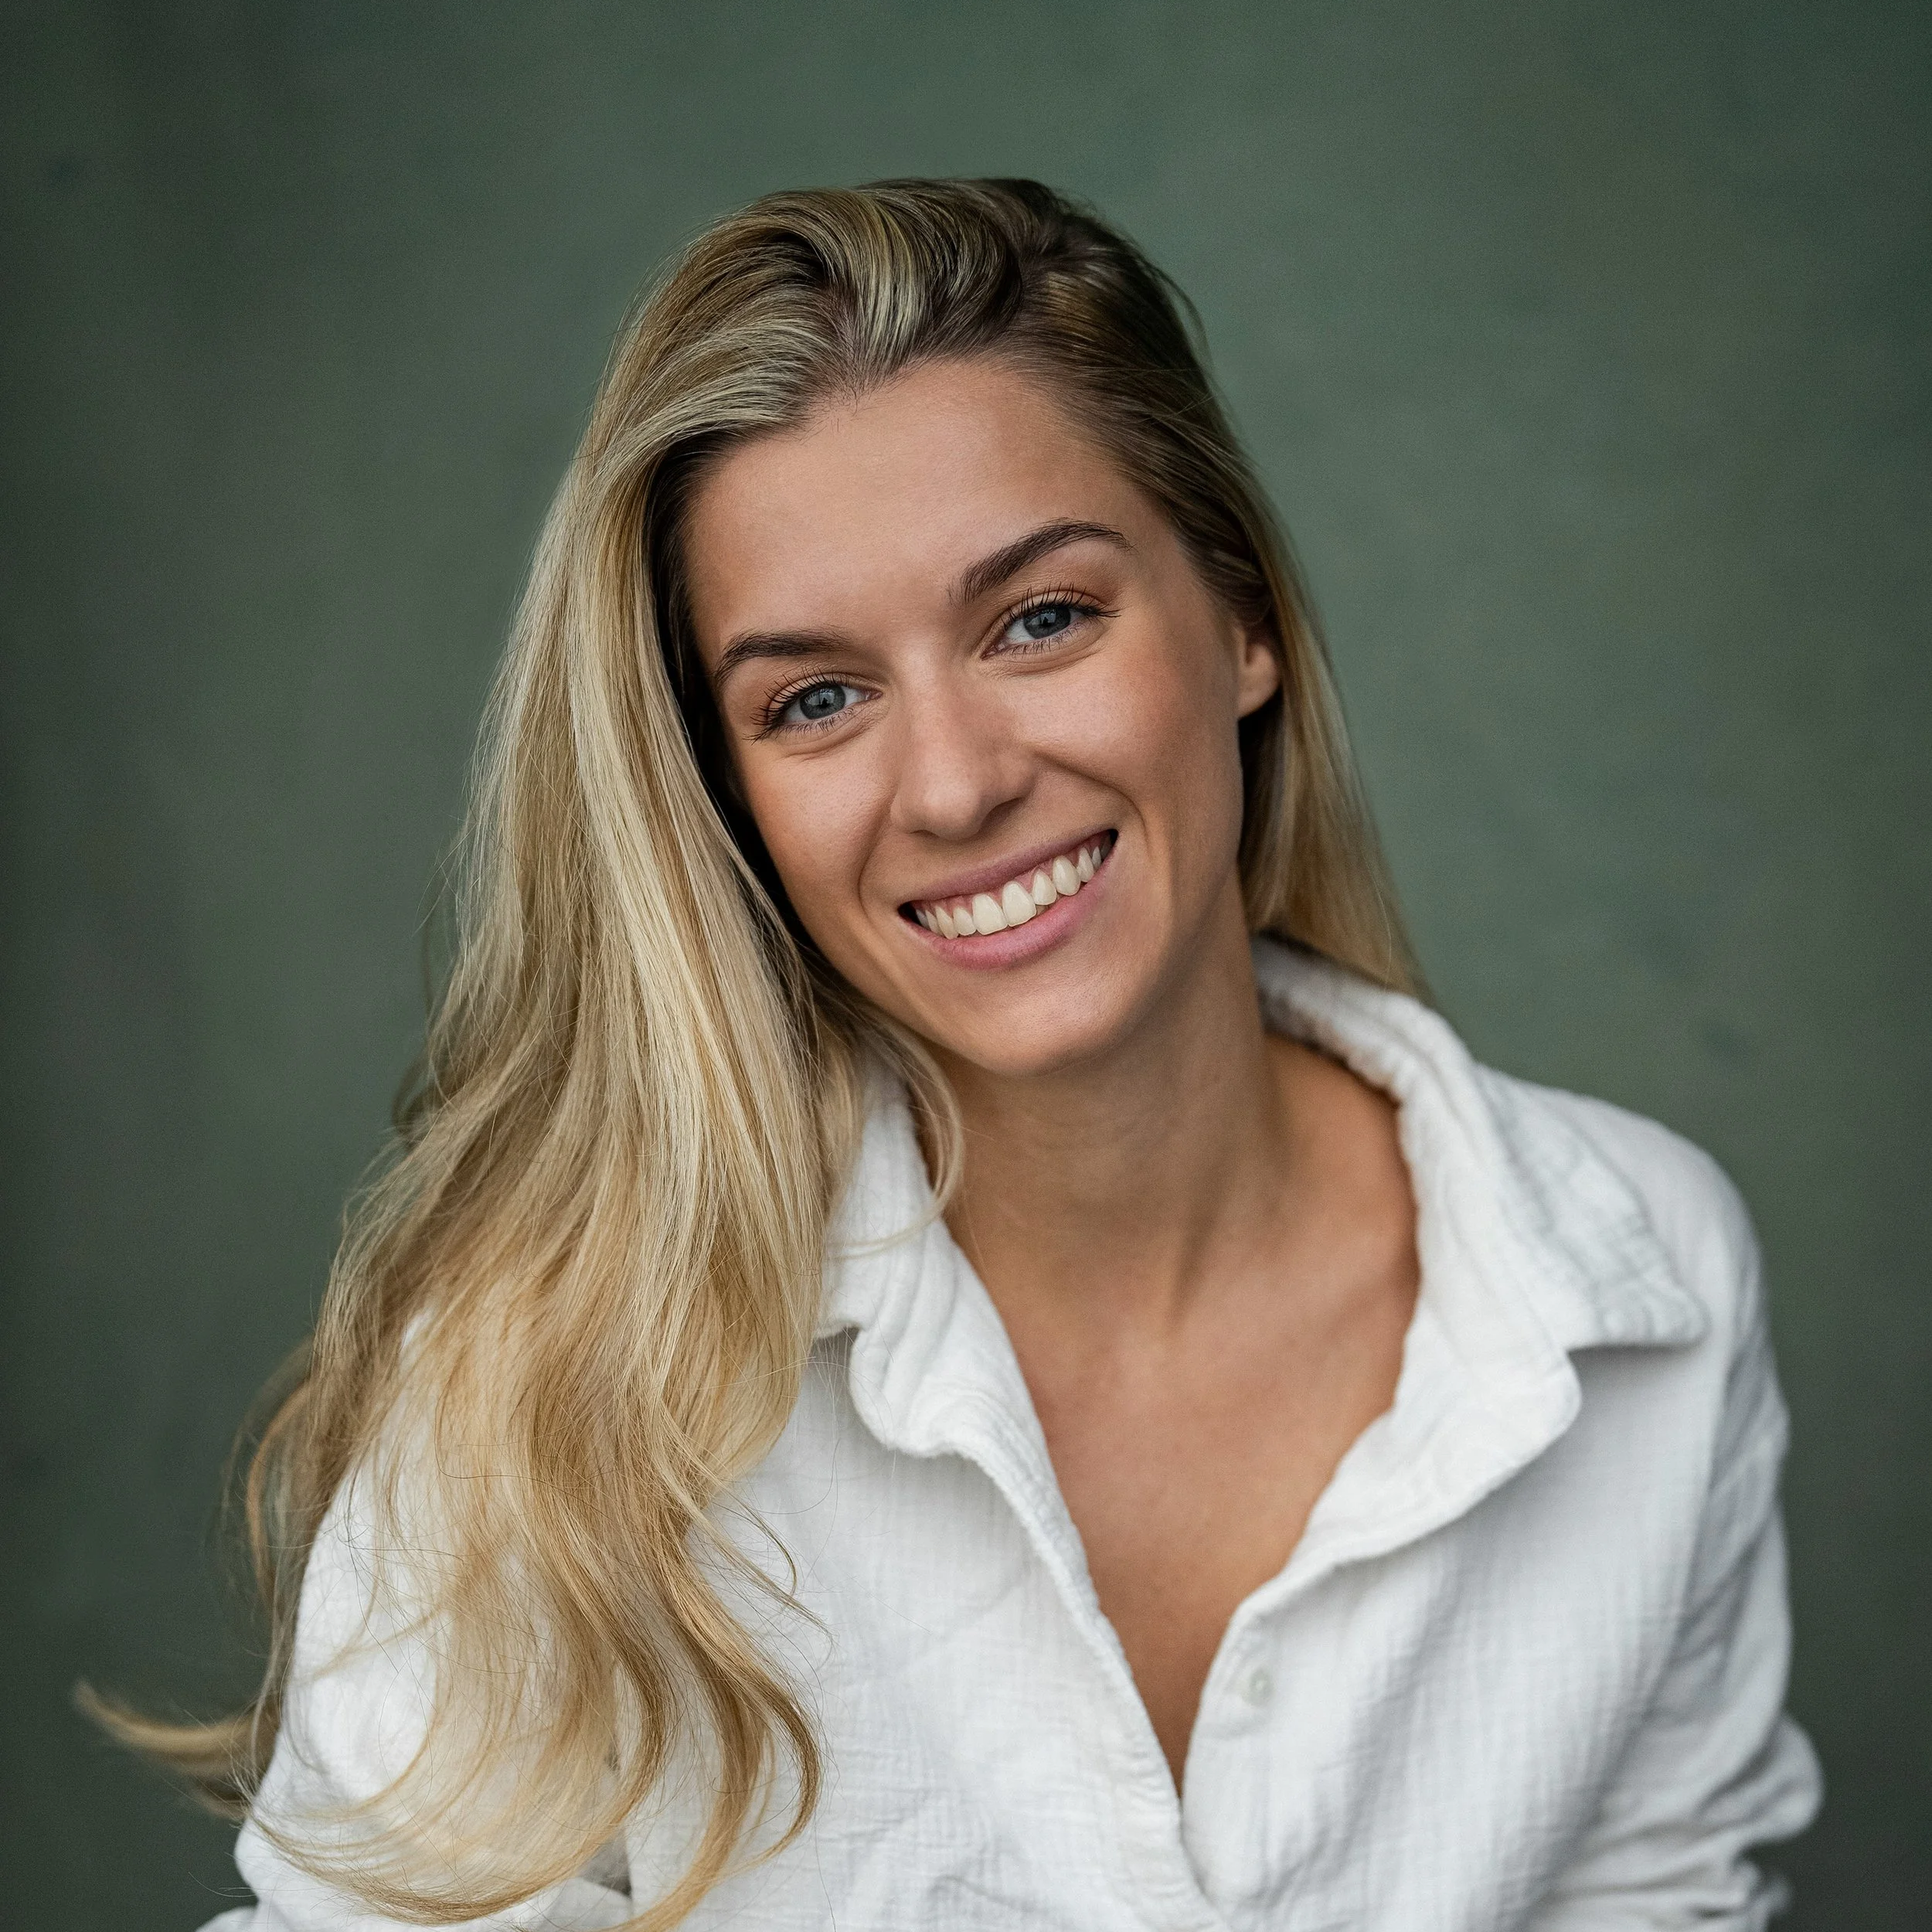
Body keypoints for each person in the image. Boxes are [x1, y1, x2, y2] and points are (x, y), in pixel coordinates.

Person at [104, 179, 1820, 1930]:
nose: (952, 784)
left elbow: (1654, 1895)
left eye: (1038, 619)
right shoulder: (539, 1383)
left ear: (1241, 621)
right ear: (725, 797)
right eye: (814, 699)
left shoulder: (1645, 1285)